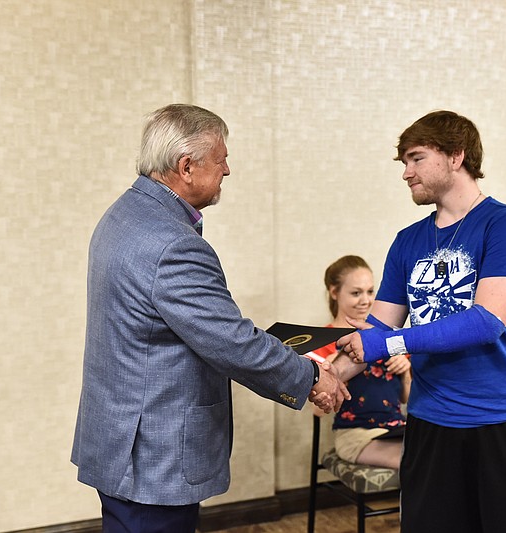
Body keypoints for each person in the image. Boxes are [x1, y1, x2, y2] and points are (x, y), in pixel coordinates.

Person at [71, 104, 348, 533]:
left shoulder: (125, 215)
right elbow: (231, 341)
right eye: (221, 160)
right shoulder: (172, 243)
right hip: (152, 454)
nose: (228, 170)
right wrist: (311, 377)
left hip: (120, 437)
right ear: (186, 166)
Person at [333, 110, 506, 532]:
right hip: (431, 425)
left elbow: (485, 322)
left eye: (416, 158)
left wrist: (386, 345)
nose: (406, 172)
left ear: (456, 156)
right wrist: (326, 376)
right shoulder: (407, 241)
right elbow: (377, 329)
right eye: (403, 162)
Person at [311, 255, 411, 470]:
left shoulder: (382, 337)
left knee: (441, 451)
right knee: (420, 462)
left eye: (370, 291)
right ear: (334, 292)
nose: (366, 300)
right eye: (356, 293)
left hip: (397, 428)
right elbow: (317, 412)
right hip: (358, 434)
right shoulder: (322, 344)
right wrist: (331, 373)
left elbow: (406, 399)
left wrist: (405, 369)